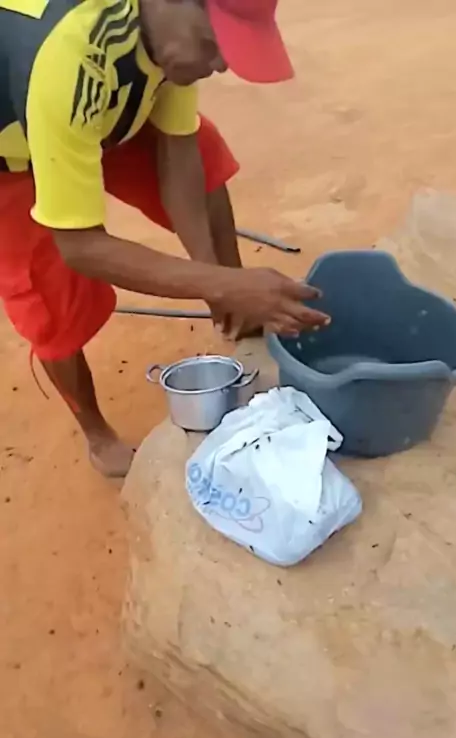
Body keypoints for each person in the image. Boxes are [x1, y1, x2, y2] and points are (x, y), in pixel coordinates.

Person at [0, 0, 329, 477]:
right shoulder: (72, 58)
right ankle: (96, 433)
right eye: (212, 44)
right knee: (53, 299)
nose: (219, 65)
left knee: (204, 152)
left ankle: (241, 315)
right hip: (15, 155)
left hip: (94, 116)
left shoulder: (168, 38)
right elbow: (80, 245)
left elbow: (179, 152)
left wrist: (215, 278)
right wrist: (217, 284)